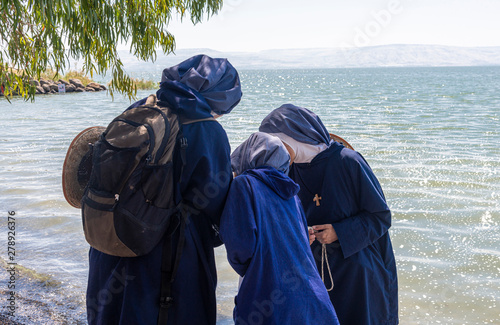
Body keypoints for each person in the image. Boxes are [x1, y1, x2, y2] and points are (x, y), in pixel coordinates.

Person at [86, 55, 242, 325]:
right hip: (167, 253)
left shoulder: (139, 108)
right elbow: (215, 200)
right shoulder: (207, 129)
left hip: (115, 237)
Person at [259, 104, 399, 325]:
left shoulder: (349, 161)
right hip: (313, 274)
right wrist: (301, 232)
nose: (273, 150)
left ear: (295, 136)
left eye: (277, 144)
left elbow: (380, 217)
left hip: (358, 273)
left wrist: (339, 232)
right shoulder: (288, 170)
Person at [220, 132, 339, 325]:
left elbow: (240, 247)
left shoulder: (244, 184)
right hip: (314, 300)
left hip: (271, 303)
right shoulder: (292, 194)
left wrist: (255, 272)